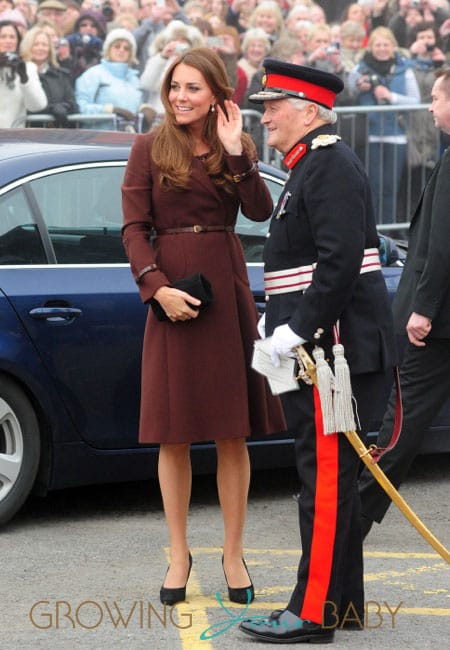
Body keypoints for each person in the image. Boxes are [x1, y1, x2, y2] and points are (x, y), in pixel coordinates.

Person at [121, 47, 285, 606]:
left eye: (192, 88)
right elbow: (133, 228)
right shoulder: (147, 146)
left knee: (231, 432)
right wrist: (157, 287)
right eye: (174, 87)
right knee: (173, 432)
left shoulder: (235, 147)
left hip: (225, 283)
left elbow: (261, 211)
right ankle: (178, 553)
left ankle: (233, 552)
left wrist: (240, 152)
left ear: (217, 94)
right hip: (169, 288)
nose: (180, 97)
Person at [239, 59, 396, 643]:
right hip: (323, 346)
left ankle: (312, 612)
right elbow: (301, 266)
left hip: (334, 353)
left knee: (324, 481)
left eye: (273, 106)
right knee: (328, 478)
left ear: (308, 111)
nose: (265, 116)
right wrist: (271, 318)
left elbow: (339, 264)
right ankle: (342, 606)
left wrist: (293, 330)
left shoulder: (327, 165)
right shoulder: (310, 165)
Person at [359, 67, 450, 539]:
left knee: (400, 427)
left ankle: (351, 517)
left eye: (436, 98)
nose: (430, 107)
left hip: (437, 324)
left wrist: (425, 309)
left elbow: (441, 245)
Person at [348, 26, 420, 225]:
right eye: (378, 44)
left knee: (390, 189)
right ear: (370, 47)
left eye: (386, 44)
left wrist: (391, 97)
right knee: (371, 187)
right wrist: (358, 87)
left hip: (395, 136)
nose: (382, 48)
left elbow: (416, 101)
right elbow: (348, 93)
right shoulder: (358, 68)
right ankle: (372, 230)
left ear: (393, 47)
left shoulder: (405, 70)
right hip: (369, 136)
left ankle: (387, 232)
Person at [75, 28, 142, 130]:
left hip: (129, 140)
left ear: (131, 54)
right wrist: (108, 110)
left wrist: (144, 110)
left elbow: (137, 110)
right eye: (117, 46)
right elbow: (80, 107)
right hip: (98, 140)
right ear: (108, 49)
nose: (121, 50)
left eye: (126, 48)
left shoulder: (134, 79)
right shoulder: (93, 74)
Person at [20, 25, 78, 127]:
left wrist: (62, 107)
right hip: (28, 135)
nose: (40, 48)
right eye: (36, 44)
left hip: (58, 135)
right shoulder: (19, 74)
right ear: (27, 46)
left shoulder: (61, 75)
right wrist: (50, 109)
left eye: (44, 45)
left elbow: (73, 105)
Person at [0, 19, 47, 127]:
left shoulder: (28, 67)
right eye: (3, 37)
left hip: (14, 137)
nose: (8, 41)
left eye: (12, 37)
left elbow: (38, 106)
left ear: (18, 41)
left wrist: (24, 78)